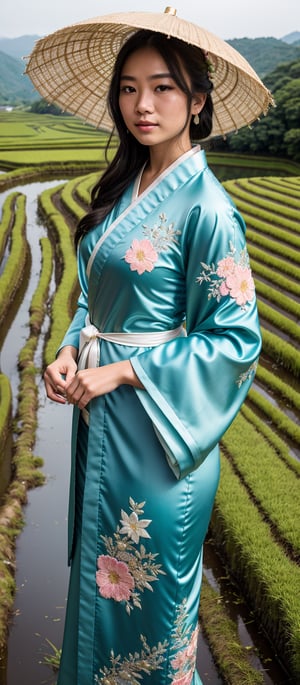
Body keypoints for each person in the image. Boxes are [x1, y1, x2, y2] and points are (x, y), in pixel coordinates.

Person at [43, 24, 262, 685]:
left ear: (197, 100)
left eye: (163, 88)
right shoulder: (126, 187)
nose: (143, 105)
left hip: (160, 445)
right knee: (98, 601)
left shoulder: (209, 209)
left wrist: (122, 368)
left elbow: (234, 339)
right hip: (104, 426)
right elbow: (97, 302)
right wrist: (69, 347)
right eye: (130, 89)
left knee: (149, 611)